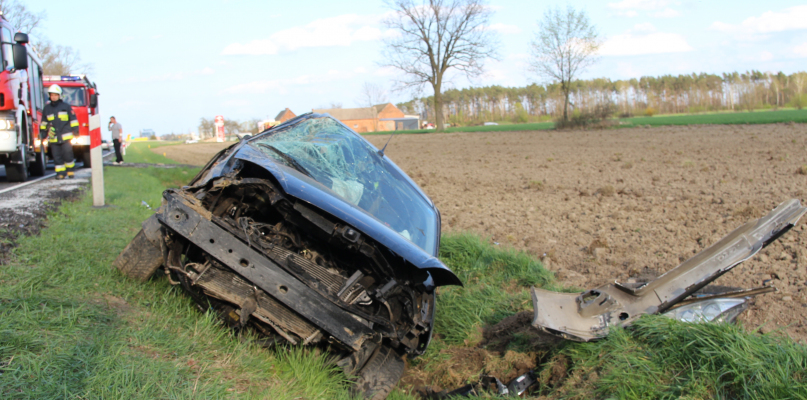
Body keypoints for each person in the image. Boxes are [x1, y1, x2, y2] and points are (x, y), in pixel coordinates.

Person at [40, 85, 78, 179]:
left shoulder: (66, 107)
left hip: (66, 136)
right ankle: (60, 173)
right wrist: (43, 134)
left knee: (67, 154)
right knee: (56, 157)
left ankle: (70, 171)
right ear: (49, 96)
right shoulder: (47, 109)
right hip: (54, 137)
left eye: (55, 95)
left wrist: (76, 131)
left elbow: (73, 119)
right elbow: (44, 123)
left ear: (60, 95)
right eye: (52, 95)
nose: (53, 97)